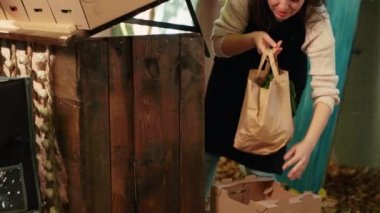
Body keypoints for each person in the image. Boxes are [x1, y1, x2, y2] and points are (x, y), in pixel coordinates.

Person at [204, 0, 340, 196]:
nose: (283, 7)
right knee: (203, 157)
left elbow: (326, 89)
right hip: (229, 86)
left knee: (262, 175)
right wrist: (252, 38)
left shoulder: (316, 17)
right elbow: (219, 44)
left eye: (294, 0)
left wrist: (309, 143)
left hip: (275, 102)